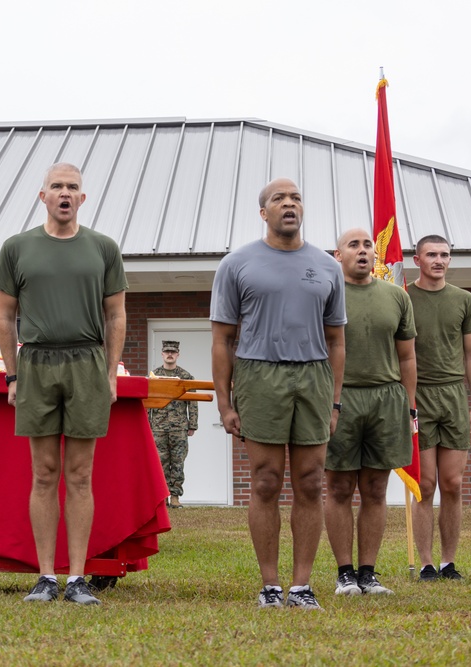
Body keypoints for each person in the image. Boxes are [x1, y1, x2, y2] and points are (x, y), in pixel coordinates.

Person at [0, 162, 128, 606]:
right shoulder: (16, 248)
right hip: (36, 363)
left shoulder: (103, 248)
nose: (65, 193)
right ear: (43, 195)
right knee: (44, 473)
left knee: (80, 474)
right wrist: (12, 373)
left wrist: (110, 372)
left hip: (87, 361)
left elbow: (116, 315)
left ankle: (76, 578)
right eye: (57, 186)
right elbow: (5, 316)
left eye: (73, 187)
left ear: (82, 198)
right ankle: (46, 577)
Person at [210, 178, 346, 610]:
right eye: (278, 199)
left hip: (313, 378)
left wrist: (335, 400)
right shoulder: (237, 264)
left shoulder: (328, 266)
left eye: (296, 198)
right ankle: (269, 586)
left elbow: (337, 341)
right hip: (258, 375)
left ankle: (302, 587)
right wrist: (224, 401)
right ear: (263, 212)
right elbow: (222, 339)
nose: (289, 204)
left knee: (310, 482)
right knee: (266, 481)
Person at [325, 228, 416, 596]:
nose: (363, 251)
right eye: (354, 245)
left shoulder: (396, 297)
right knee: (339, 487)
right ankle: (344, 573)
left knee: (376, 488)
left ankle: (368, 573)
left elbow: (407, 356)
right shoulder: (326, 297)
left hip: (386, 399)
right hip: (340, 400)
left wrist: (410, 405)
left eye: (367, 246)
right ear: (337, 255)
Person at [408, 234, 471, 581]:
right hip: (418, 397)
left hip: (454, 397)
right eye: (432, 255)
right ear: (417, 259)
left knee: (452, 483)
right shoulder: (403, 297)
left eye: (445, 255)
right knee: (424, 484)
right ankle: (425, 563)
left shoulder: (464, 300)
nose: (439, 260)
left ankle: (448, 562)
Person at [148, 341, 199, 508]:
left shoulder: (186, 377)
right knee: (160, 463)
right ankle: (162, 498)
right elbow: (148, 402)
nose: (170, 355)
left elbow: (192, 402)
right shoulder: (154, 376)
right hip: (158, 427)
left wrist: (193, 424)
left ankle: (175, 497)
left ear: (178, 355)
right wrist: (148, 424)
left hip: (179, 427)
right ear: (162, 354)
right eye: (167, 352)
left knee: (178, 462)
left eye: (173, 352)